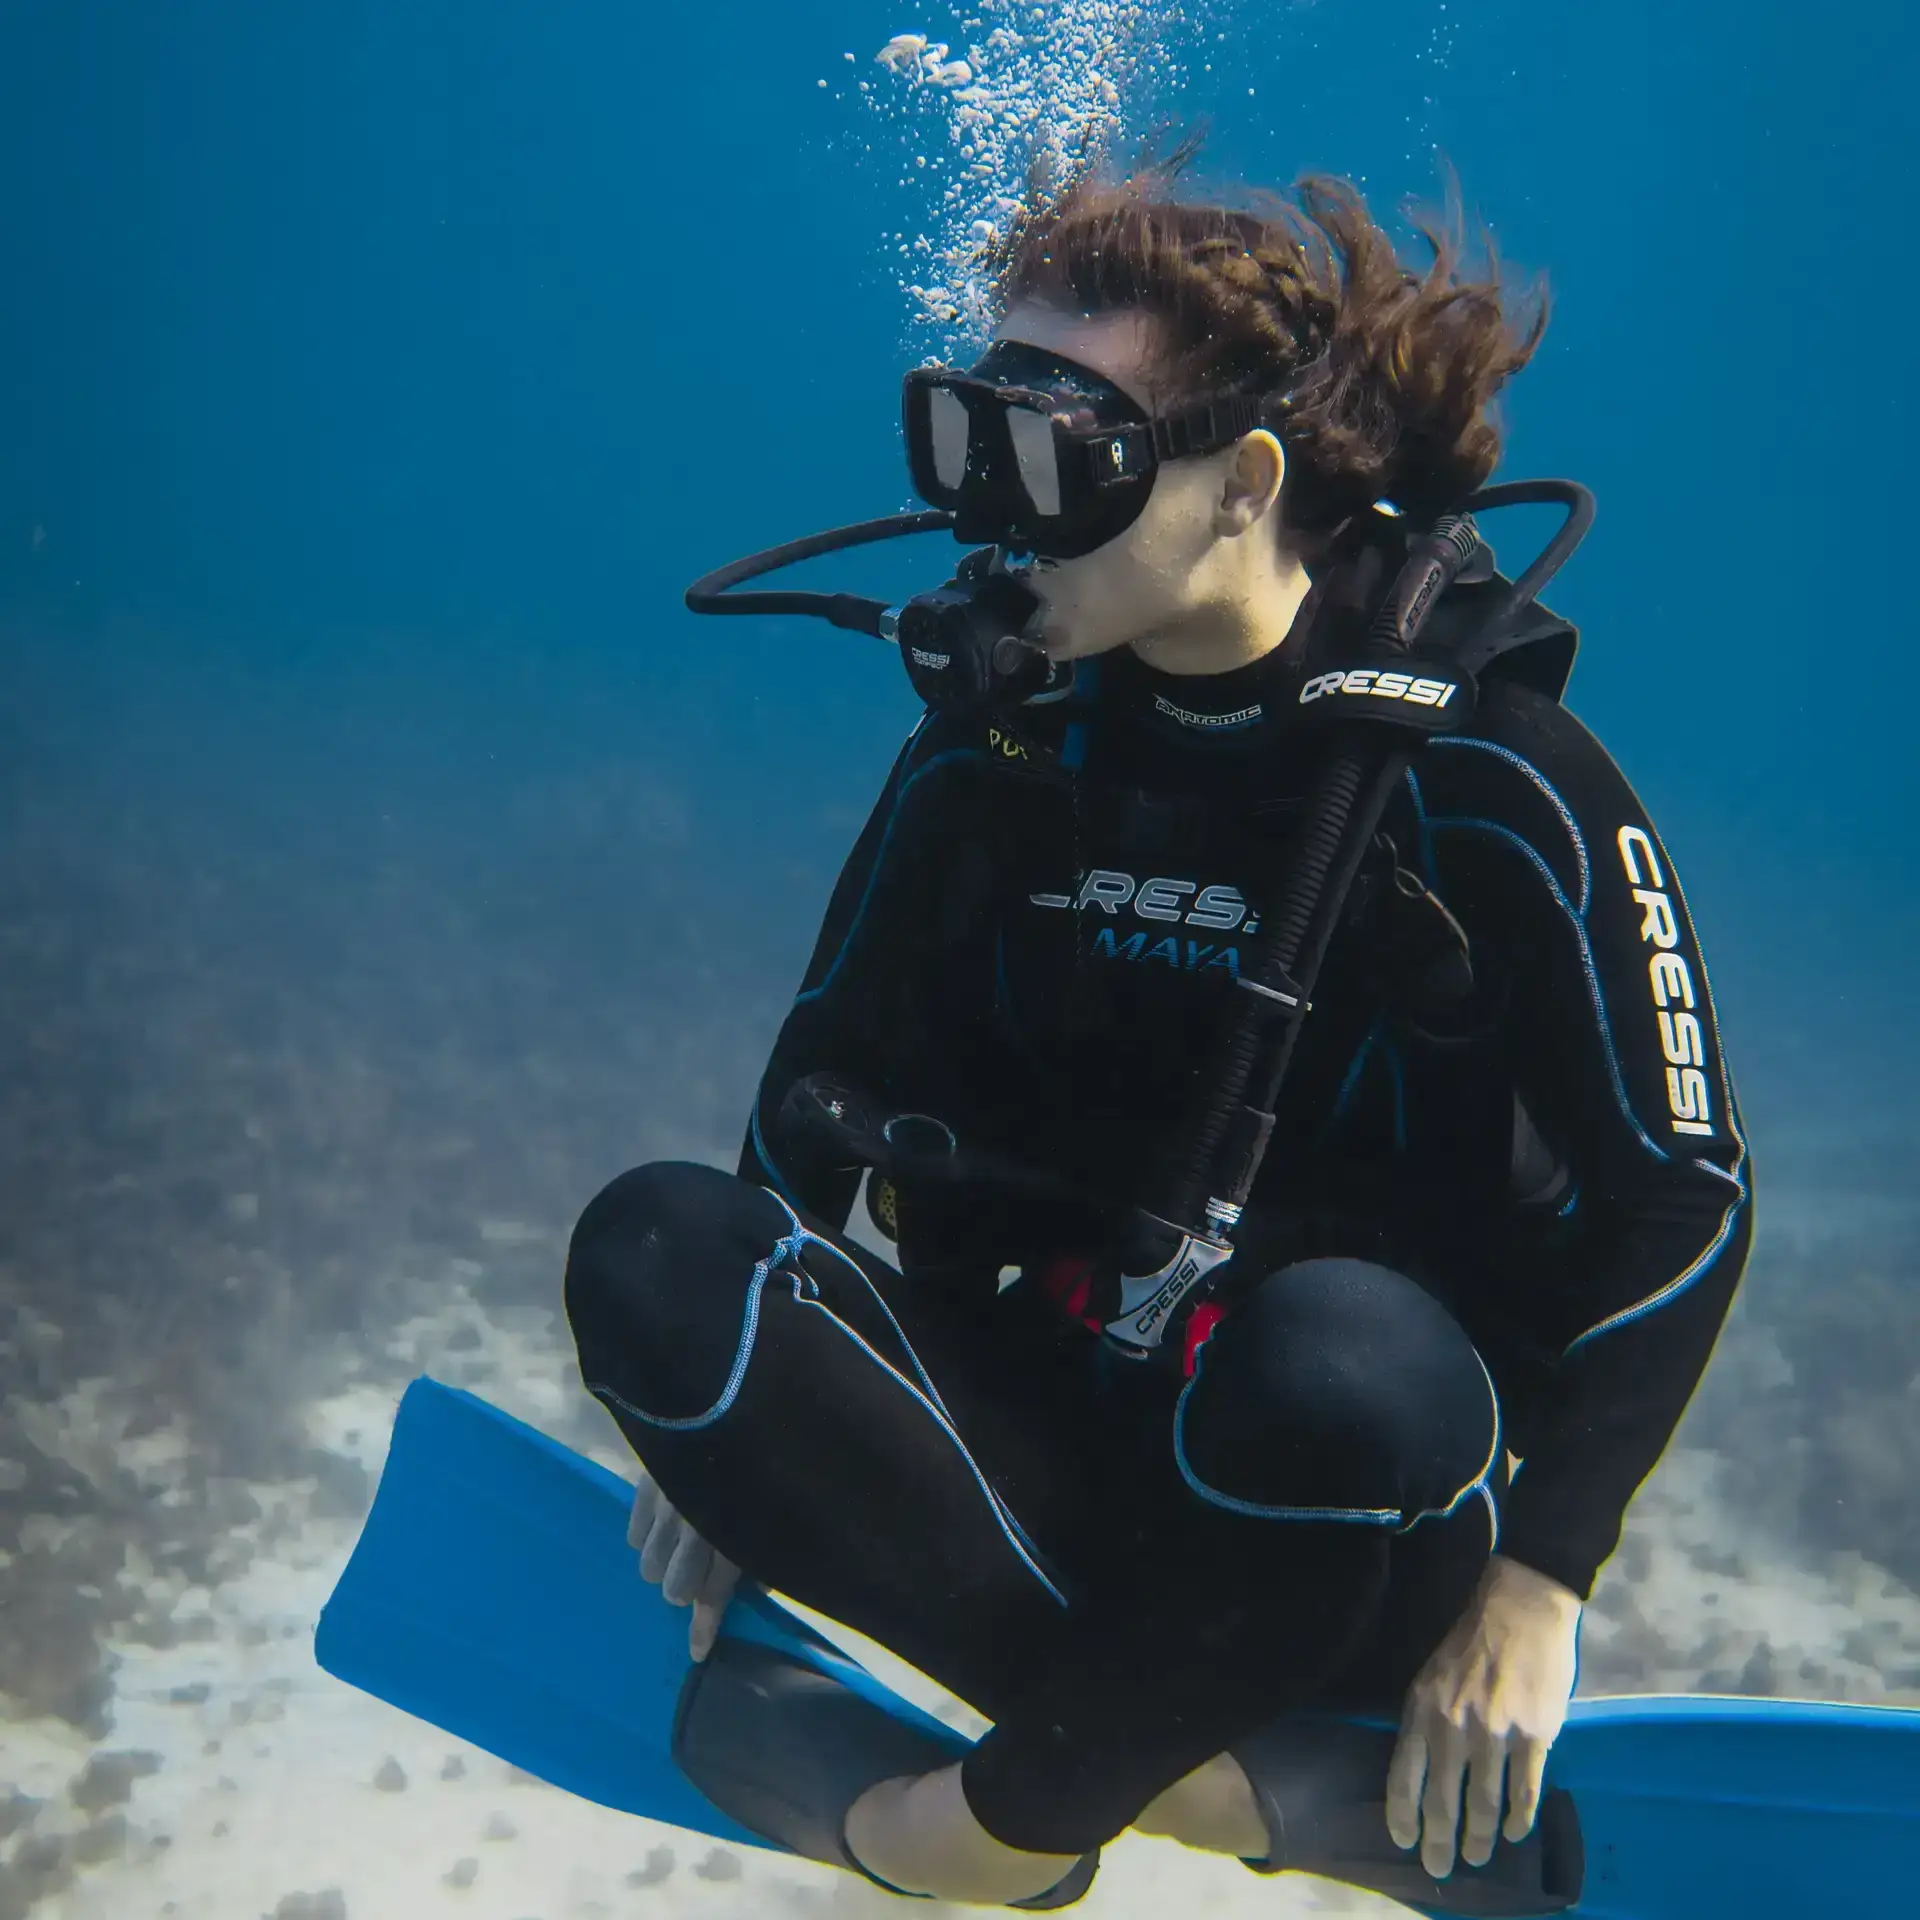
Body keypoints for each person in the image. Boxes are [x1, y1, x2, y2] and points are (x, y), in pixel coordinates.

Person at [564, 158, 1751, 1908]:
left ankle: (1000, 1831)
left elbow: (1690, 1192)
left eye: (1055, 460)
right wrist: (738, 1422)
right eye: (967, 444)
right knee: (663, 1251)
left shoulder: (1494, 783)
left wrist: (1544, 1586)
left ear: (1241, 485)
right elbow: (819, 1093)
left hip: (1357, 1505)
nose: (992, 520)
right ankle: (1214, 1782)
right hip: (1066, 1434)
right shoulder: (993, 759)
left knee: (1343, 1355)